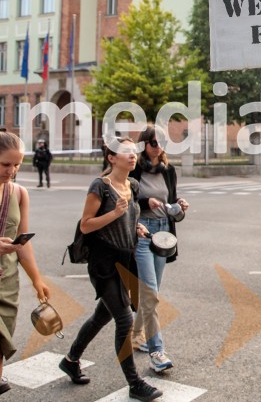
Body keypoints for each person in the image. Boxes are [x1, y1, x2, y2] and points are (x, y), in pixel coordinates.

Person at [59, 137, 162, 402]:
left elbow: (130, 216)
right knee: (125, 320)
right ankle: (135, 383)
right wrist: (115, 214)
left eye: (134, 151)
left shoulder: (133, 185)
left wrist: (136, 227)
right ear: (112, 158)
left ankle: (71, 360)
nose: (133, 155)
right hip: (103, 263)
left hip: (125, 260)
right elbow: (86, 225)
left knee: (101, 316)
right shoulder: (100, 187)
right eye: (126, 152)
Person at [129, 126, 189, 371]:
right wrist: (147, 202)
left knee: (150, 292)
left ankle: (135, 336)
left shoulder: (168, 170)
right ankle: (157, 351)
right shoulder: (134, 168)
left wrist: (179, 205)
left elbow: (171, 200)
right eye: (153, 142)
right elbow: (128, 200)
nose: (158, 146)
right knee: (150, 293)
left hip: (163, 232)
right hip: (142, 232)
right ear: (144, 144)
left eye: (162, 142)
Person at [0, 130, 50, 396]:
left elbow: (23, 242)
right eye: (5, 164)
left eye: (17, 165)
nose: (11, 171)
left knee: (2, 342)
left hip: (7, 281)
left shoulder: (19, 193)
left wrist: (37, 280)